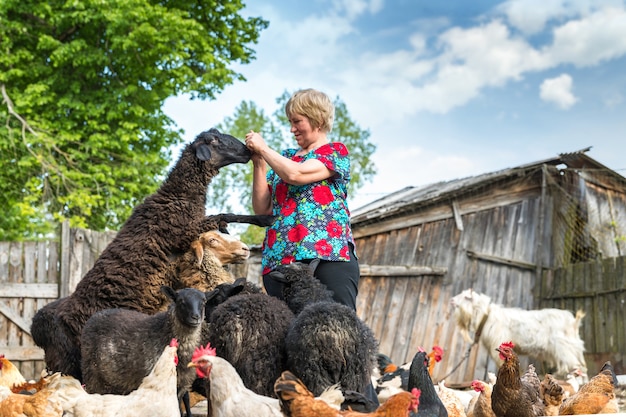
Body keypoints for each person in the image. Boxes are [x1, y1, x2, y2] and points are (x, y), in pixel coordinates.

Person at [245, 88, 360, 311]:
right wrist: (259, 162)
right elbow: (262, 208)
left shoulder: (334, 152)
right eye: (290, 122)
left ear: (317, 119)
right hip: (281, 259)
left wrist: (265, 148)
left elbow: (296, 175)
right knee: (286, 333)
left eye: (297, 121)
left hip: (328, 256)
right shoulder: (286, 157)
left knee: (338, 329)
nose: (292, 129)